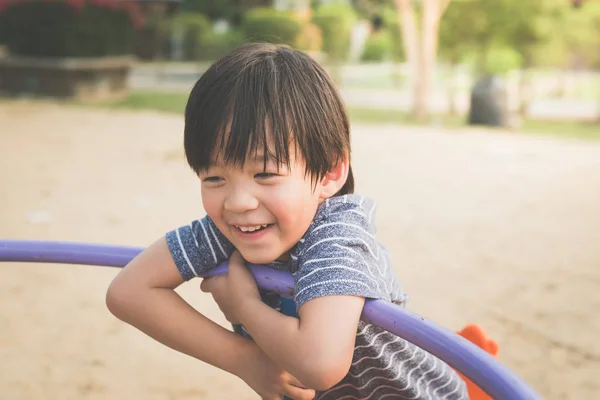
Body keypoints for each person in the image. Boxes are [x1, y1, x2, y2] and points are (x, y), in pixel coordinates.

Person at [106, 42, 467, 400]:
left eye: (264, 173)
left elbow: (320, 364)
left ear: (329, 173)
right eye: (213, 178)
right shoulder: (228, 229)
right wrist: (244, 359)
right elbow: (128, 292)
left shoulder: (337, 237)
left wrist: (243, 307)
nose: (238, 202)